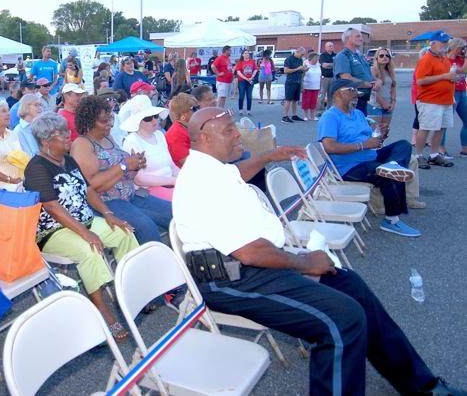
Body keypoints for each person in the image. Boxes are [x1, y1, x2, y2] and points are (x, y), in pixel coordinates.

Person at [174, 105, 463, 396]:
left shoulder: (211, 167)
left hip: (250, 265)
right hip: (230, 279)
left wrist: (268, 156)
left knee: (352, 286)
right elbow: (250, 252)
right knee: (342, 319)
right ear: (205, 138)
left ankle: (422, 385)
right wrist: (305, 261)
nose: (238, 133)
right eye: (229, 131)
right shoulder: (202, 182)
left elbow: (235, 173)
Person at [24, 113, 139, 341]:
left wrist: (108, 214)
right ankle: (103, 311)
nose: (69, 136)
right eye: (62, 134)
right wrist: (86, 233)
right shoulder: (36, 168)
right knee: (90, 249)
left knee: (124, 232)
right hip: (53, 231)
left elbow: (88, 191)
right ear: (46, 142)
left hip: (84, 220)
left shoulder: (68, 159)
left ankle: (132, 292)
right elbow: (52, 207)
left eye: (67, 131)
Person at [318, 79, 421, 237]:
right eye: (352, 90)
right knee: (387, 174)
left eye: (357, 91)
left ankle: (393, 166)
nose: (357, 94)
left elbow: (370, 139)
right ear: (338, 92)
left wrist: (381, 135)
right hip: (349, 167)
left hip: (370, 156)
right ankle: (391, 220)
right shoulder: (330, 117)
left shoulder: (357, 113)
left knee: (404, 145)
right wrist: (363, 146)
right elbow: (329, 147)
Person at [71, 95, 171, 245]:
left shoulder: (107, 137)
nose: (110, 124)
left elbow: (122, 170)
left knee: (173, 213)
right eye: (104, 121)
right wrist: (124, 166)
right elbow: (92, 185)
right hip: (108, 202)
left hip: (131, 194)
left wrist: (136, 165)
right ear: (89, 121)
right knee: (146, 227)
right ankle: (155, 264)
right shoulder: (82, 145)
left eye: (110, 118)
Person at [121, 95, 179, 201]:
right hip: (147, 190)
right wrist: (173, 180)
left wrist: (184, 177)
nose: (154, 120)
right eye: (148, 118)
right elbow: (139, 179)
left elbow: (172, 165)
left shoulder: (159, 135)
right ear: (138, 121)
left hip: (170, 185)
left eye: (155, 116)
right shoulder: (131, 141)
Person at [414, 30, 457, 169]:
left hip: (445, 100)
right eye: (443, 42)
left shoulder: (443, 58)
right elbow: (420, 80)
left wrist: (452, 78)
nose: (446, 45)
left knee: (441, 128)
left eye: (447, 42)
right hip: (430, 100)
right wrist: (444, 77)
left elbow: (446, 76)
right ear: (433, 43)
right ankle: (418, 156)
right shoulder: (426, 59)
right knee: (425, 128)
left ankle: (434, 154)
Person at [334, 28, 382, 115]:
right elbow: (346, 78)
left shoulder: (360, 56)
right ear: (348, 38)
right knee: (352, 126)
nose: (361, 39)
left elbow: (367, 73)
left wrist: (377, 80)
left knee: (363, 125)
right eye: (358, 36)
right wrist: (366, 84)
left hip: (364, 98)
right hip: (351, 100)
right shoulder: (343, 56)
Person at [445, 38, 467, 158]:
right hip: (450, 92)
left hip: (462, 91)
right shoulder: (446, 60)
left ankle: (465, 149)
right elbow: (463, 70)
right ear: (456, 47)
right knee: (445, 123)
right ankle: (440, 149)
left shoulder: (461, 59)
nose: (463, 50)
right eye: (462, 48)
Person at [370, 47, 397, 129]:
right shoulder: (372, 70)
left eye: (387, 55)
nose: (385, 57)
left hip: (388, 105)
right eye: (381, 55)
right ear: (376, 58)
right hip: (375, 105)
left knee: (384, 131)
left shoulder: (390, 71)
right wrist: (383, 103)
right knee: (374, 133)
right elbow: (372, 90)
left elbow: (393, 88)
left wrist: (393, 103)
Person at [281, 47, 307, 123]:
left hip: (298, 81)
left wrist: (304, 70)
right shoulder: (289, 59)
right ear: (297, 52)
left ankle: (294, 115)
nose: (302, 56)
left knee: (295, 100)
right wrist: (297, 69)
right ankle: (285, 116)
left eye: (303, 55)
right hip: (290, 81)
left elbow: (300, 70)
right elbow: (286, 71)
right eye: (302, 54)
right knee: (288, 99)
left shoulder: (300, 60)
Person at [235, 50, 258, 116]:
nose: (247, 54)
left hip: (250, 80)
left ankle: (248, 110)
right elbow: (238, 72)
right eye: (245, 53)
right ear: (242, 55)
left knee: (249, 96)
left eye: (248, 53)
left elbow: (255, 69)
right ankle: (240, 110)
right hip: (242, 81)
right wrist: (246, 78)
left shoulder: (252, 61)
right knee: (241, 95)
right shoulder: (240, 62)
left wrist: (252, 77)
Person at [302, 51, 322, 121]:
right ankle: (305, 116)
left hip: (316, 86)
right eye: (316, 58)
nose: (317, 59)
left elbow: (320, 76)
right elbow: (302, 76)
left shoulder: (318, 65)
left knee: (314, 101)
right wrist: (302, 86)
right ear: (311, 58)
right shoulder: (306, 65)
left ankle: (312, 116)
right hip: (307, 86)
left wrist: (320, 86)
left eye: (317, 58)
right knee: (306, 101)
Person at [317, 41, 336, 113]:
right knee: (322, 93)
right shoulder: (323, 56)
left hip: (333, 77)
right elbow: (324, 65)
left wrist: (329, 65)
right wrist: (332, 65)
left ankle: (330, 108)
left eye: (332, 46)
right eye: (329, 46)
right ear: (326, 47)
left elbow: (337, 65)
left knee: (331, 94)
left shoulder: (335, 55)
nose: (331, 47)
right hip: (324, 77)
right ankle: (319, 108)